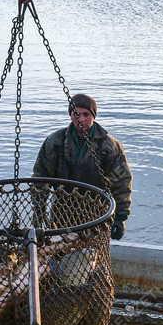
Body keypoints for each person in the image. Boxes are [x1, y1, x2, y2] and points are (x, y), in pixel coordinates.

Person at [33, 93, 132, 239]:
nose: (81, 119)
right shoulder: (55, 142)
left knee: (91, 256)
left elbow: (122, 183)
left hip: (96, 213)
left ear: (93, 116)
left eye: (86, 114)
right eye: (76, 114)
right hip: (62, 212)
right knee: (58, 253)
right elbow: (41, 177)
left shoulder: (109, 146)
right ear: (70, 115)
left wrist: (121, 218)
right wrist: (39, 212)